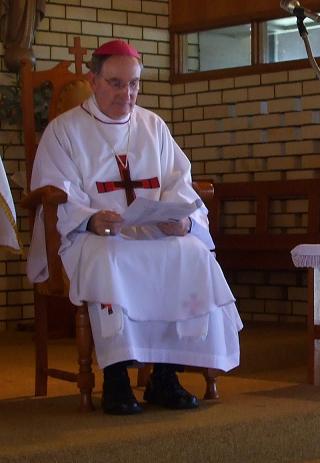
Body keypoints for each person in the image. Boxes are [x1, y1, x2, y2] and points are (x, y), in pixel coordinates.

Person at [26, 40, 243, 415]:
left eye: (134, 84)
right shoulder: (65, 130)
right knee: (110, 256)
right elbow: (56, 189)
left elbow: (180, 181)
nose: (126, 94)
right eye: (115, 83)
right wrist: (91, 218)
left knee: (191, 252)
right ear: (93, 80)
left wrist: (183, 220)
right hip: (93, 236)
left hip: (152, 232)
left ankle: (165, 375)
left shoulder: (153, 126)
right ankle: (115, 378)